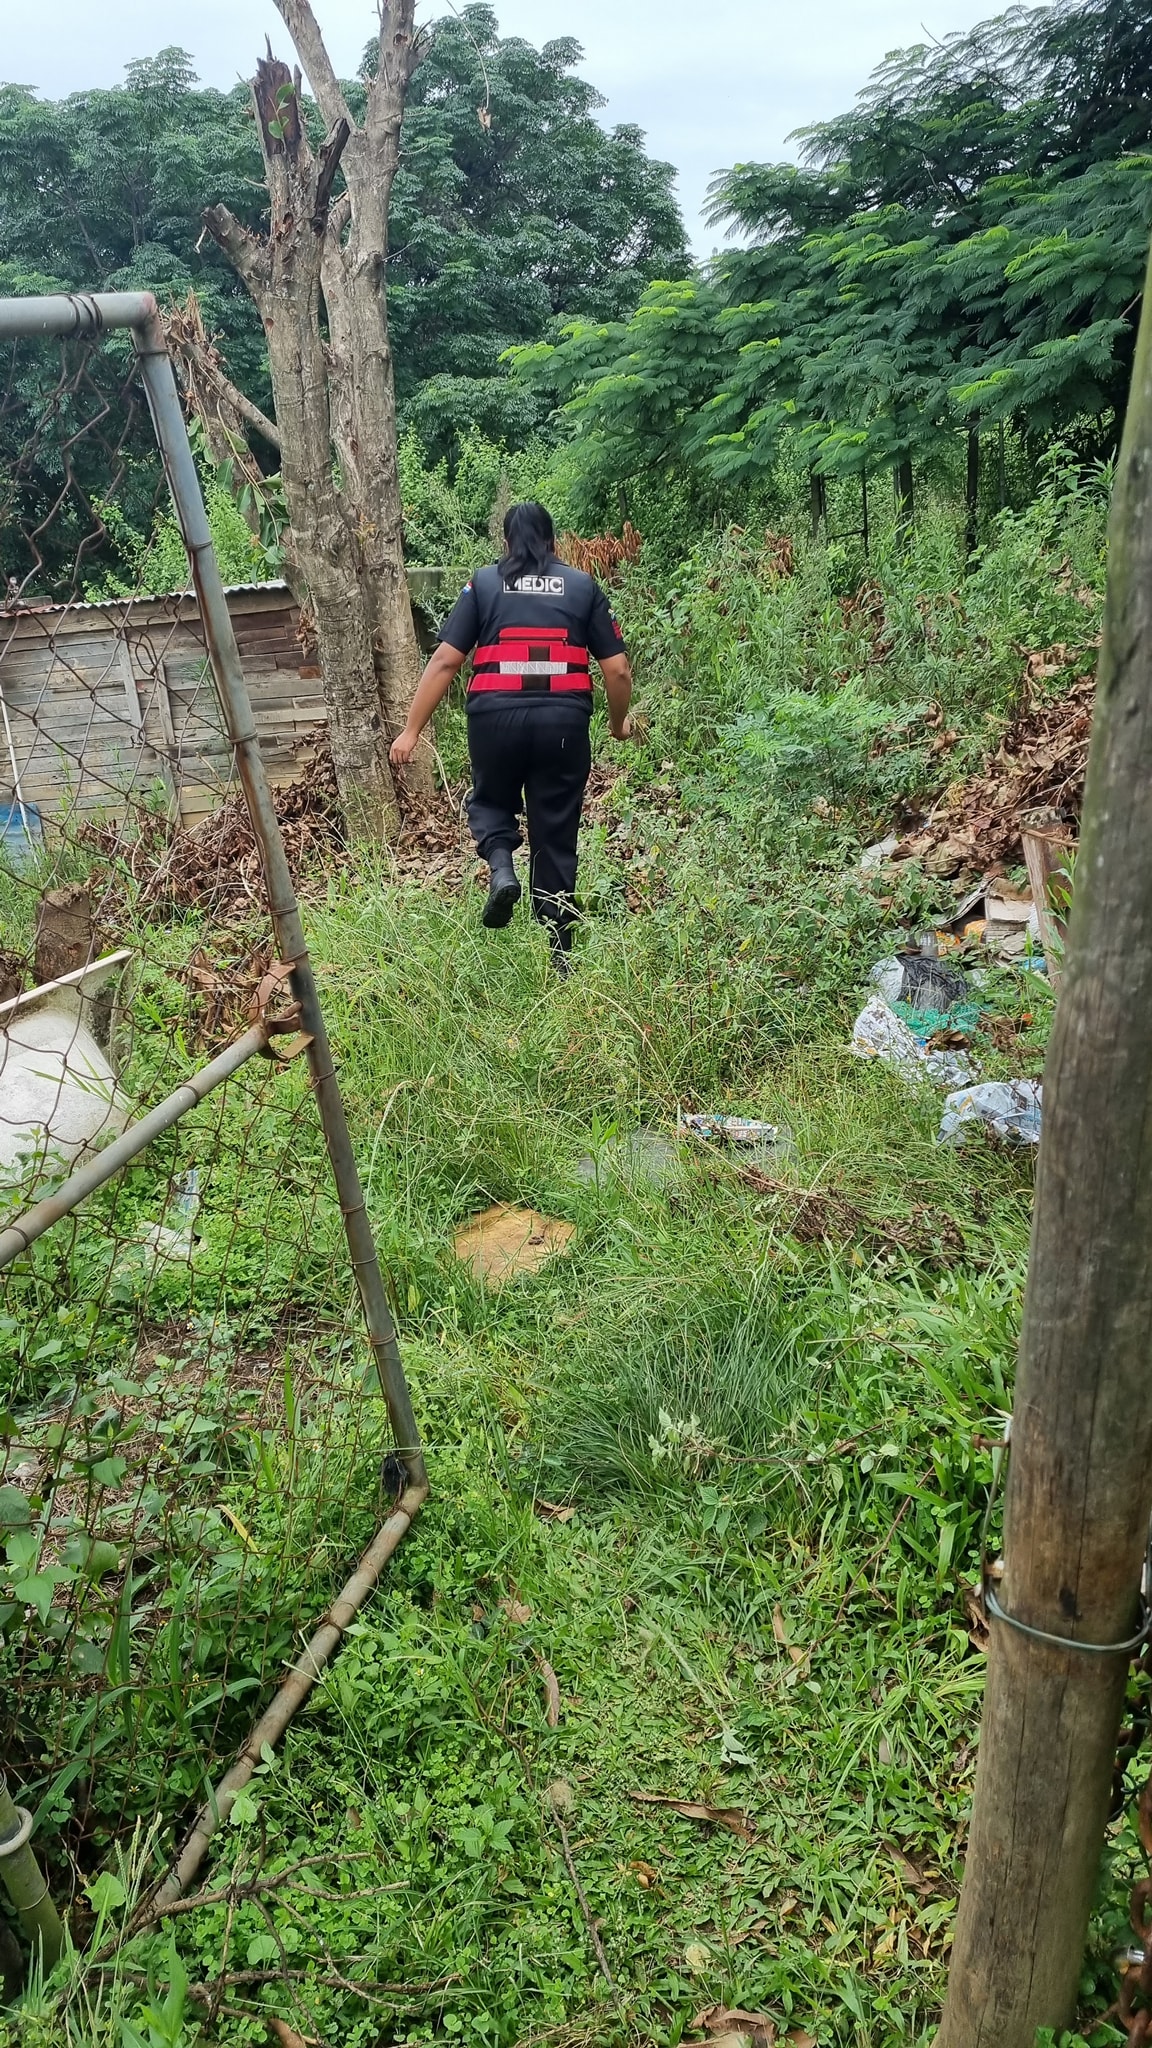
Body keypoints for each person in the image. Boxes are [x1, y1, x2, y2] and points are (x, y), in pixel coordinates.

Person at [390, 502, 633, 969]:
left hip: (494, 719)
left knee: (490, 801)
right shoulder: (582, 586)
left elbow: (444, 661)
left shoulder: (483, 583)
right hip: (562, 723)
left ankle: (502, 869)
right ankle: (560, 954)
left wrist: (411, 730)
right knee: (556, 826)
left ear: (505, 543)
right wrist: (618, 723)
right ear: (553, 542)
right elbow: (617, 669)